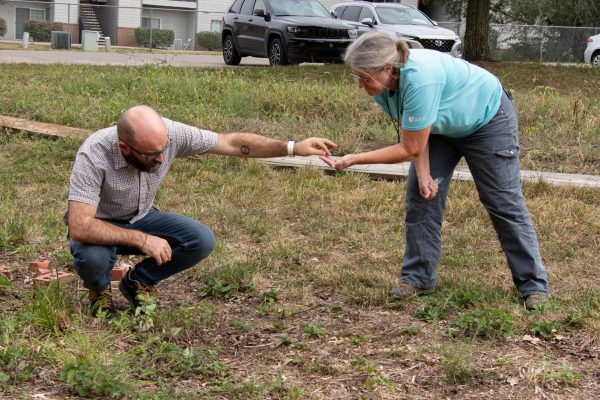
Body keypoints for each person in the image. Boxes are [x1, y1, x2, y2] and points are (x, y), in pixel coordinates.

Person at [320, 32, 549, 310]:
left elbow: (409, 147)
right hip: (440, 128)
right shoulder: (383, 87)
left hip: (486, 120)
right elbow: (415, 134)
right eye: (356, 77)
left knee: (503, 202)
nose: (360, 85)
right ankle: (417, 279)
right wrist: (425, 174)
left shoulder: (420, 78)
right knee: (421, 197)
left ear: (388, 68)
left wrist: (353, 159)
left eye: (365, 77)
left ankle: (533, 287)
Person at [67, 105, 336, 316]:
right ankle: (98, 293)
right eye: (150, 155)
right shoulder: (95, 153)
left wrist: (291, 147)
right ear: (124, 147)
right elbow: (80, 225)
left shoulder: (170, 134)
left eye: (163, 150)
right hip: (99, 226)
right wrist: (142, 239)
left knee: (200, 239)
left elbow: (230, 143)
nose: (160, 159)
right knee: (94, 259)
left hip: (141, 217)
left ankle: (138, 281)